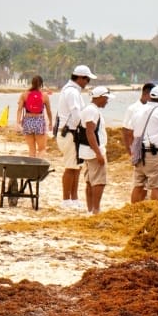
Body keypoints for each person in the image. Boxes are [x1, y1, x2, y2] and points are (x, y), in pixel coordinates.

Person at [56, 65, 94, 210]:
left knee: (76, 167)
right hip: (70, 133)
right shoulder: (72, 92)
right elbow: (77, 114)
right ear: (80, 78)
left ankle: (74, 198)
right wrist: (85, 127)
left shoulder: (71, 90)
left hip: (72, 133)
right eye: (87, 79)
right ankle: (66, 199)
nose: (87, 83)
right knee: (71, 167)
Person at [78, 86, 111, 214]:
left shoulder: (89, 109)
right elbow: (90, 132)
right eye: (106, 98)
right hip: (93, 151)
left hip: (86, 151)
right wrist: (98, 153)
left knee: (90, 181)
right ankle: (96, 209)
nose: (107, 101)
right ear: (100, 97)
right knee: (99, 182)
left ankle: (91, 209)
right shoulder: (92, 111)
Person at [124, 82, 156, 202]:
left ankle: (143, 202)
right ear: (147, 94)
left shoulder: (153, 108)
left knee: (145, 181)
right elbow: (126, 130)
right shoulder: (133, 109)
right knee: (139, 182)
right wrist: (130, 150)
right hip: (138, 148)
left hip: (149, 148)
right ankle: (137, 205)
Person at [17, 75, 53, 158]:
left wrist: (18, 123)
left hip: (28, 121)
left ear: (32, 83)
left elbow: (19, 109)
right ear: (41, 84)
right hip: (39, 122)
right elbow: (49, 111)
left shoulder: (24, 94)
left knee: (31, 149)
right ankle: (37, 167)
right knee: (42, 149)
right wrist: (51, 123)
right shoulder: (44, 96)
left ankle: (31, 168)